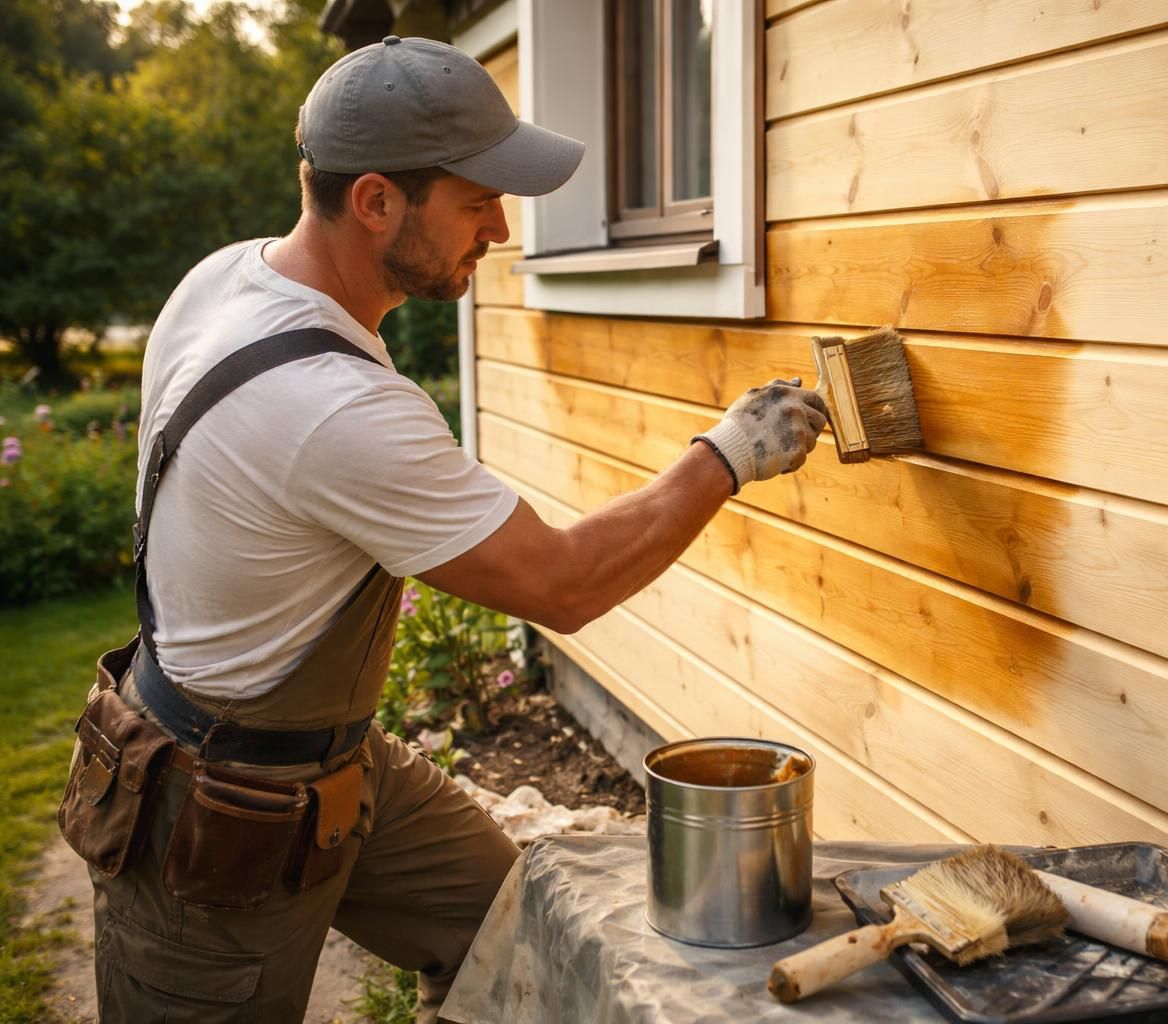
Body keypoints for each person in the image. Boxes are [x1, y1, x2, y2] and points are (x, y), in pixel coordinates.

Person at [59, 34, 828, 1024]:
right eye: (477, 202)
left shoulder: (230, 279)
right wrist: (728, 452)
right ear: (375, 200)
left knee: (506, 921)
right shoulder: (329, 404)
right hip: (212, 816)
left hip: (331, 757)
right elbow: (564, 584)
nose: (501, 232)